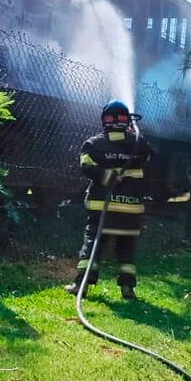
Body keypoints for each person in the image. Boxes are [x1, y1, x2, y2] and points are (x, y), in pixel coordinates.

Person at [65, 100, 154, 300]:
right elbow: (150, 157)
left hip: (101, 209)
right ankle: (127, 289)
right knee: (126, 250)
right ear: (127, 120)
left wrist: (107, 176)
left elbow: (85, 167)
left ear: (103, 120)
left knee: (92, 246)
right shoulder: (138, 143)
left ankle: (82, 286)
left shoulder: (94, 143)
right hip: (130, 211)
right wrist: (133, 137)